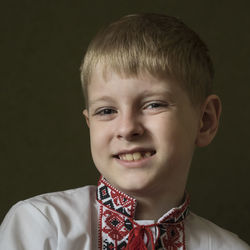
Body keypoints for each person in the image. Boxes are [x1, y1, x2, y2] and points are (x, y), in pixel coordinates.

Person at [0, 13, 249, 250]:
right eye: (106, 111)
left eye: (154, 104)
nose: (127, 128)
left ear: (205, 121)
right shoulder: (42, 225)